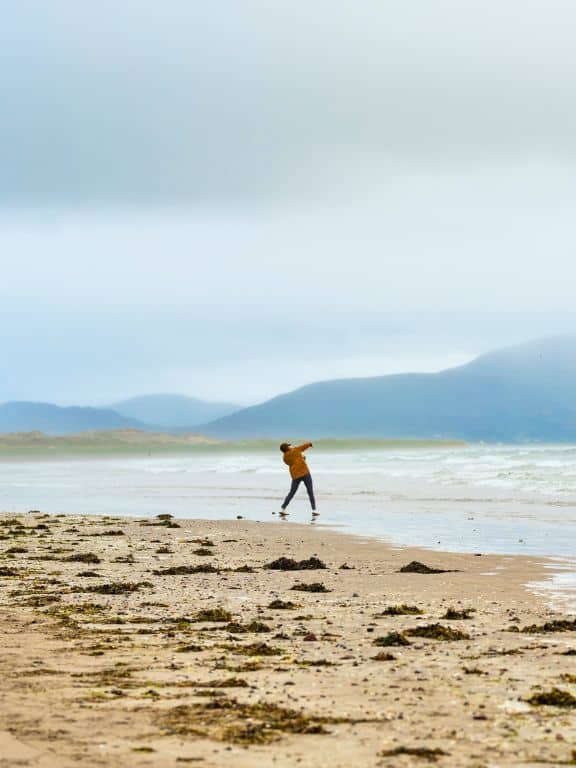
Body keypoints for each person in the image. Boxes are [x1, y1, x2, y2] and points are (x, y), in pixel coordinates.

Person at [279, 441, 317, 515]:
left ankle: (283, 509)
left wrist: (301, 458)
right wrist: (309, 444)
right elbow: (303, 447)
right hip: (305, 473)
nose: (290, 446)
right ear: (287, 448)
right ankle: (314, 510)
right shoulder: (295, 450)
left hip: (295, 475)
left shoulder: (284, 458)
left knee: (292, 493)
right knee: (310, 492)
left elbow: (291, 463)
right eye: (288, 446)